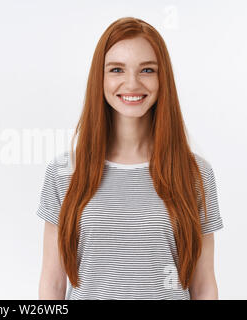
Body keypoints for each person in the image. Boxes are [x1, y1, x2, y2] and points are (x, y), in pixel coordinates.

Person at [36, 17, 223, 300]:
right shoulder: (64, 172)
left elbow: (204, 283)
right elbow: (52, 283)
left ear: (163, 79)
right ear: (100, 78)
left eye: (147, 69)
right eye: (116, 69)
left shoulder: (195, 173)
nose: (132, 83)